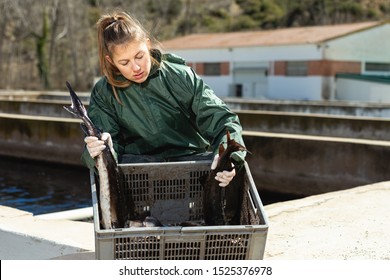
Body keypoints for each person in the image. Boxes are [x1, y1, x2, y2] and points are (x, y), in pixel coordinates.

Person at [82, 9, 246, 187]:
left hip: (193, 167)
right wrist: (97, 152)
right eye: (125, 62)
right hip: (138, 176)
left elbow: (223, 120)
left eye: (139, 56)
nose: (136, 67)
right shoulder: (103, 92)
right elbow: (107, 147)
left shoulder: (180, 76)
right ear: (111, 61)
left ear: (148, 44)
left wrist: (228, 155)